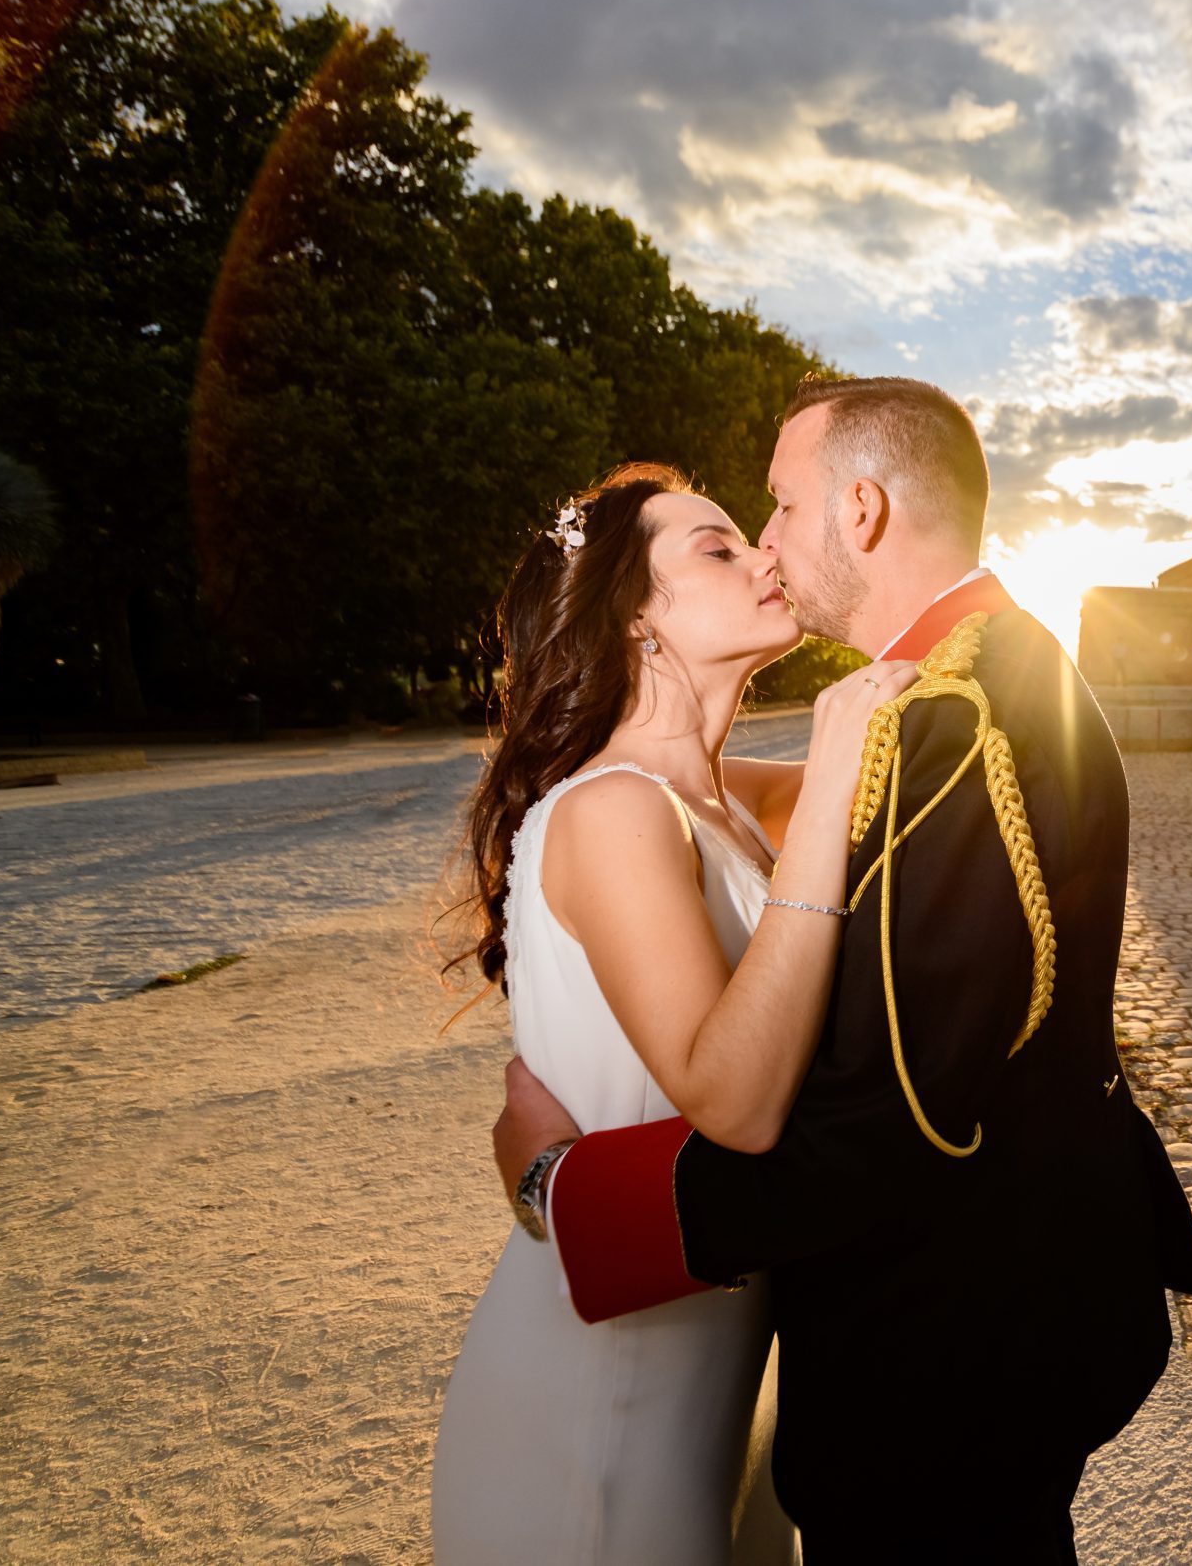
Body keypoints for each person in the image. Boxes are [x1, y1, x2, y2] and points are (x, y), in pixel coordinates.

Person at [488, 377, 1192, 1562]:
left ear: (863, 511)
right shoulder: (958, 690)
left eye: (775, 508)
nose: (770, 546)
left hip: (948, 1351)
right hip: (987, 1317)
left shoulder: (952, 719)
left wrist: (568, 1199)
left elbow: (894, 1114)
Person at [432, 460, 916, 1563]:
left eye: (759, 533)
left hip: (724, 1390)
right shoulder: (610, 809)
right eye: (718, 548)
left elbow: (918, 743)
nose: (765, 557)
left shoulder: (716, 794)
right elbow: (734, 1102)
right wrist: (835, 762)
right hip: (598, 1405)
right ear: (635, 618)